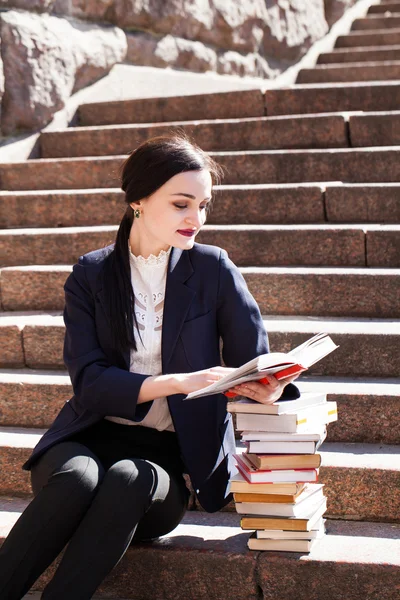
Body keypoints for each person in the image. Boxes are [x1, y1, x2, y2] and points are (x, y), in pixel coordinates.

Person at [0, 134, 299, 599]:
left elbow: (253, 363)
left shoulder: (214, 268)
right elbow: (91, 385)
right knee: (78, 479)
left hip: (166, 464)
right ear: (138, 201)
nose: (195, 219)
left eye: (204, 205)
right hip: (88, 437)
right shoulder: (92, 274)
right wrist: (178, 382)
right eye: (182, 204)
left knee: (126, 478)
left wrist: (269, 387)